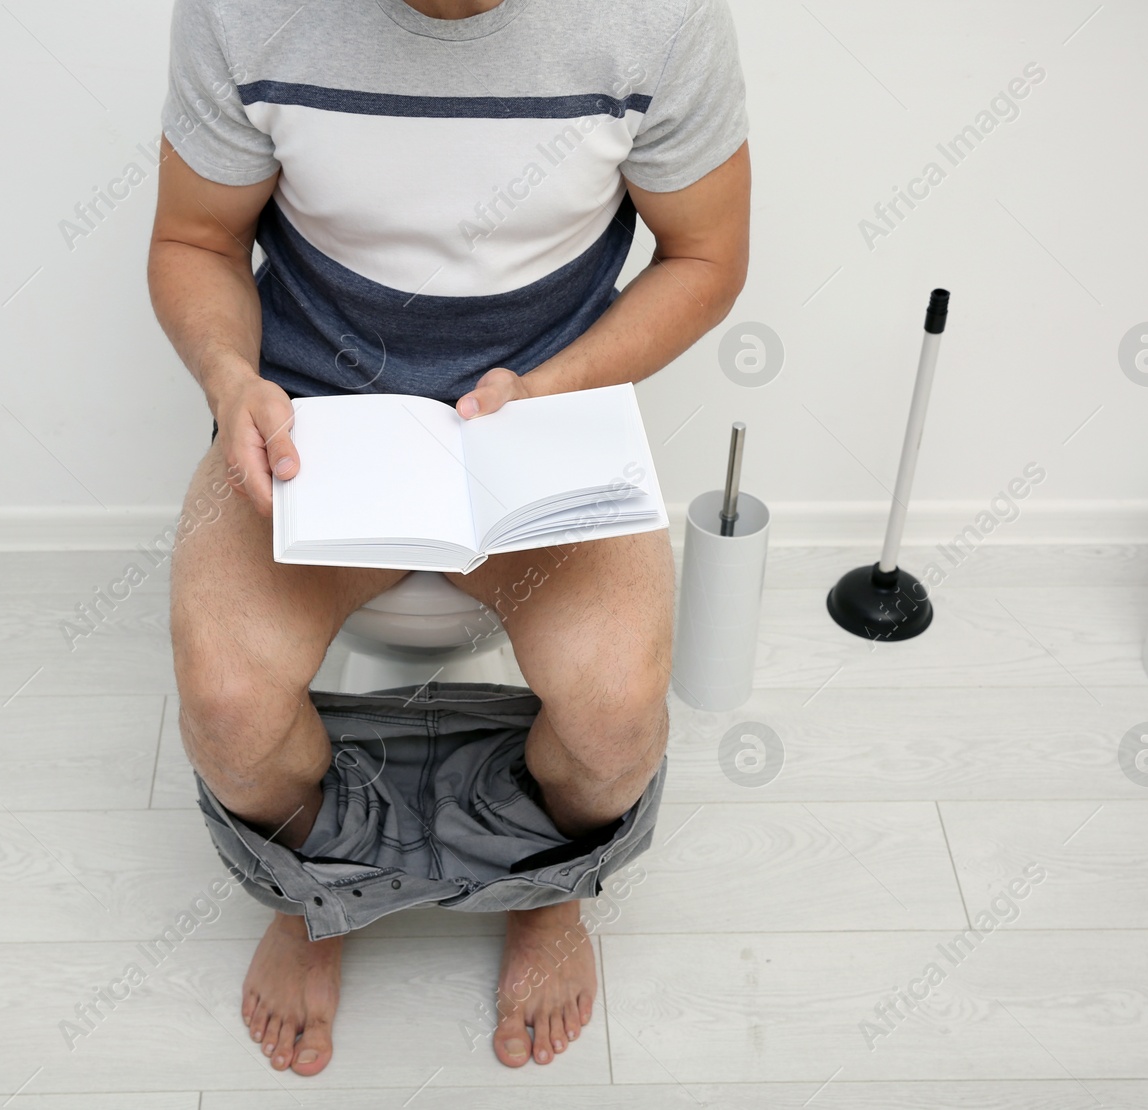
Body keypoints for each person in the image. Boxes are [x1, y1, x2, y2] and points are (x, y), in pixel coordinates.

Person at [147, 0, 749, 1076]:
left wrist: (554, 390)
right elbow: (196, 236)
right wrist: (231, 379)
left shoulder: (660, 18)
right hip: (313, 419)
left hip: (541, 414)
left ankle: (548, 891)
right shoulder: (244, 13)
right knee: (229, 706)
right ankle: (312, 894)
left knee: (615, 715)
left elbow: (705, 256)